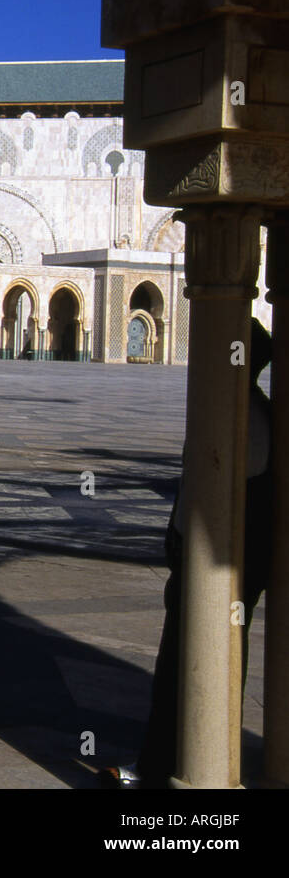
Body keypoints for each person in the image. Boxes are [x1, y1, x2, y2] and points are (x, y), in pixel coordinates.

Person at [103, 319, 273, 788]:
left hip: (215, 567)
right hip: (218, 563)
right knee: (200, 663)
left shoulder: (240, 418)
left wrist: (185, 546)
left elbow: (216, 498)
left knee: (182, 667)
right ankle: (199, 755)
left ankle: (167, 766)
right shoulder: (248, 411)